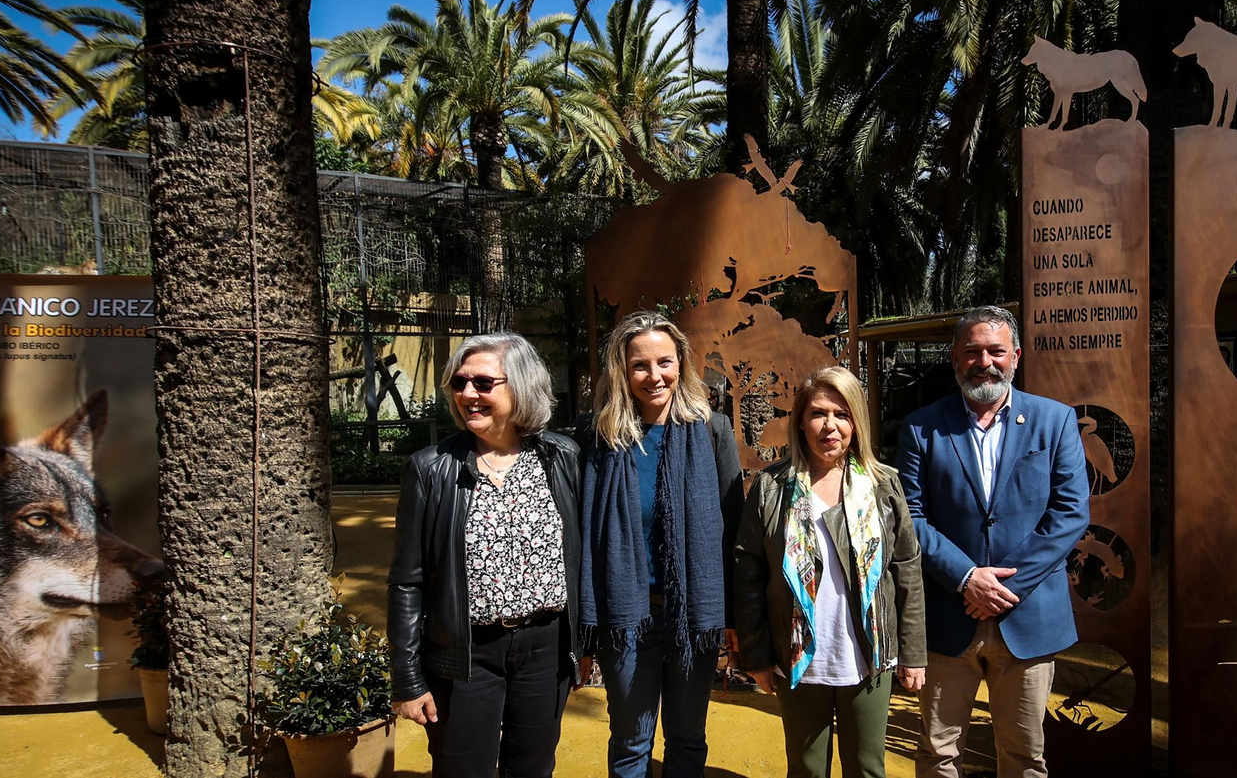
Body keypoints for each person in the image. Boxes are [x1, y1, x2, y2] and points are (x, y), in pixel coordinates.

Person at [895, 305, 1090, 778]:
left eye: (996, 351)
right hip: (947, 615)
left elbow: (1070, 513)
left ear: (1016, 356)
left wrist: (1002, 586)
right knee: (938, 753)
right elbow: (909, 517)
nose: (985, 361)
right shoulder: (922, 427)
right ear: (955, 359)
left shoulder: (1055, 421)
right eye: (972, 351)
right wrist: (965, 578)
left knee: (1024, 756)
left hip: (1027, 617)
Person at [387, 332, 582, 778]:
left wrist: (582, 644)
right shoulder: (431, 468)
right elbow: (406, 582)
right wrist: (407, 678)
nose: (467, 395)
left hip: (545, 647)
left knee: (532, 767)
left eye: (482, 383)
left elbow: (582, 558)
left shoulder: (561, 457)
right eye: (459, 383)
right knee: (462, 769)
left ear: (522, 387)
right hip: (465, 654)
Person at [734, 366, 926, 778]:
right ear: (801, 421)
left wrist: (913, 653)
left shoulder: (882, 485)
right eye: (819, 413)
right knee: (806, 770)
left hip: (869, 654)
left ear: (857, 422)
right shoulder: (773, 487)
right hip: (799, 656)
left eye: (842, 414)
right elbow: (748, 572)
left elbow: (906, 570)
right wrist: (757, 654)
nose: (830, 426)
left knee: (867, 768)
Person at [579, 310, 742, 778]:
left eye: (665, 363)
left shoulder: (713, 431)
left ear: (681, 364)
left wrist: (731, 617)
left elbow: (732, 528)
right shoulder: (600, 438)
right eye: (640, 366)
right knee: (631, 742)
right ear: (622, 370)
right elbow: (587, 533)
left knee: (688, 739)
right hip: (628, 616)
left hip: (693, 613)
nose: (655, 376)